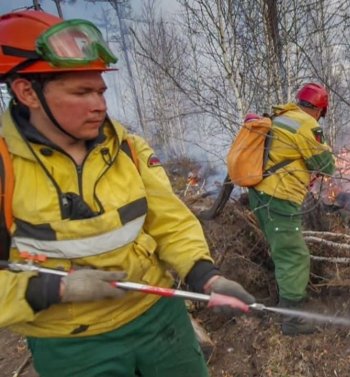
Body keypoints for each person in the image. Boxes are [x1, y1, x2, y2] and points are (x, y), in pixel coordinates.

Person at [0, 10, 254, 377]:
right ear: (28, 92)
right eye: (81, 91)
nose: (100, 104)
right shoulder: (6, 168)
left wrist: (206, 276)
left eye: (101, 90)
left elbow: (170, 221)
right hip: (72, 344)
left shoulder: (128, 150)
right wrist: (54, 289)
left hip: (158, 318)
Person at [248, 82, 335, 336]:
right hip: (278, 197)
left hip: (261, 194)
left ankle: (284, 307)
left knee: (284, 251)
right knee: (294, 255)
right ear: (319, 110)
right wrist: (327, 153)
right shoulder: (307, 124)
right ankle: (292, 321)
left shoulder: (282, 116)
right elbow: (325, 164)